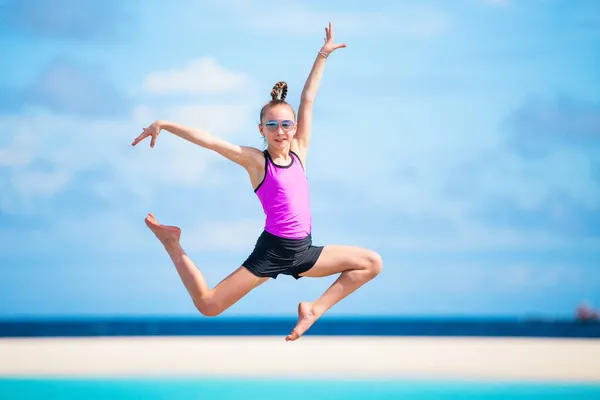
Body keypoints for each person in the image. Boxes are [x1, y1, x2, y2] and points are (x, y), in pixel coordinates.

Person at [131, 22, 382, 341]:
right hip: (273, 250)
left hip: (304, 250)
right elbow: (209, 140)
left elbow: (308, 99)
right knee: (209, 305)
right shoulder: (256, 160)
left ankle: (313, 310)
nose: (280, 131)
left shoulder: (300, 152)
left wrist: (323, 54)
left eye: (286, 125)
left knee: (370, 263)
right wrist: (164, 124)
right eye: (272, 125)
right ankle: (172, 244)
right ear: (261, 129)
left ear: (294, 127)